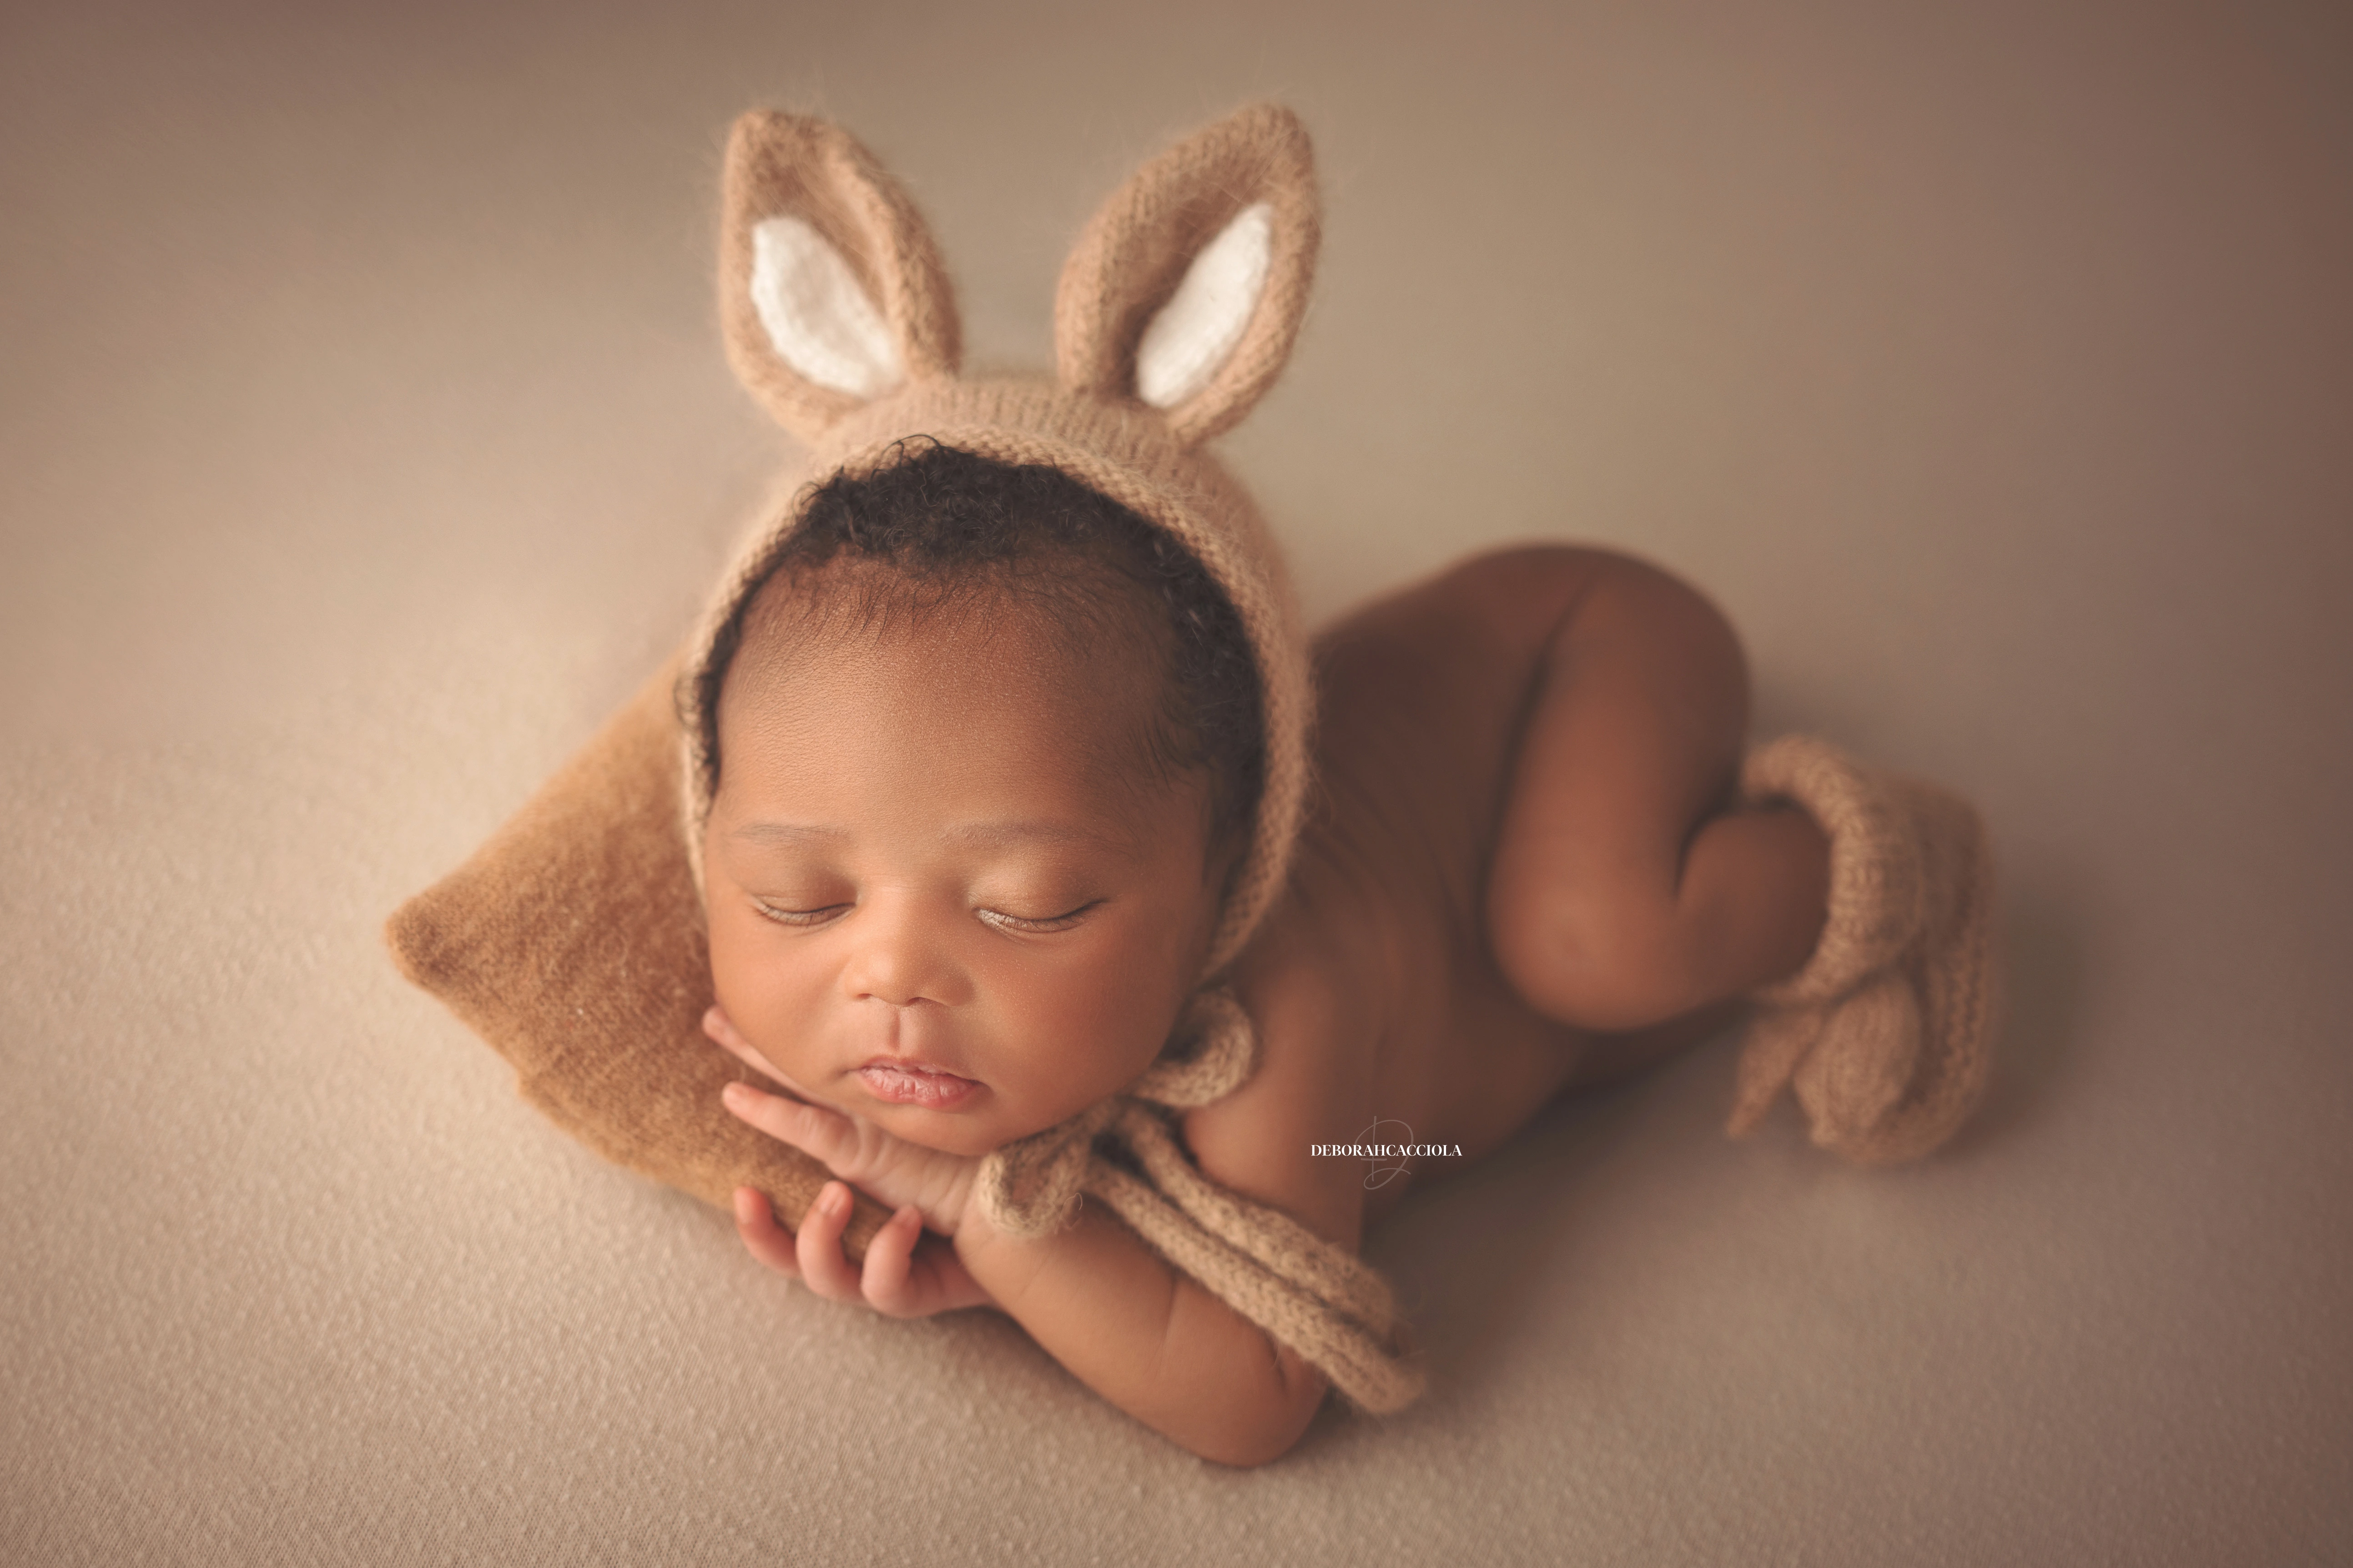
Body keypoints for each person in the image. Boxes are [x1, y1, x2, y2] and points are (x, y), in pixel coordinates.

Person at [639, 103, 1993, 1467]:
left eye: (1030, 906)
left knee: (1597, 948)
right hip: (1446, 890)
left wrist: (994, 1227)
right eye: (797, 901)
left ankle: (1887, 872)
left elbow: (1256, 1396)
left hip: (1574, 653)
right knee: (1584, 1041)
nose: (892, 980)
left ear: (1230, 870)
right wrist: (1025, 1279)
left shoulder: (1267, 1037)